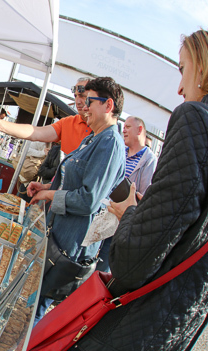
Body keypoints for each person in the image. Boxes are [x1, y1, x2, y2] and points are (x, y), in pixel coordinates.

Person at [75, 29, 208, 351]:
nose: (179, 87)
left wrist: (130, 211)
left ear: (202, 69)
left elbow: (134, 260)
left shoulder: (194, 118)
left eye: (182, 69)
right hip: (177, 322)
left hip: (136, 322)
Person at [0, 77, 126, 324]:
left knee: (35, 307)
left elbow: (89, 200)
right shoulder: (94, 136)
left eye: (90, 101)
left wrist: (49, 195)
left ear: (108, 105)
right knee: (30, 301)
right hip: (57, 236)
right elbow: (76, 183)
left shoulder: (110, 143)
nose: (84, 106)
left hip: (68, 246)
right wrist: (49, 186)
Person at [96, 115, 158, 272]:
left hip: (118, 222)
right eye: (124, 126)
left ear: (140, 130)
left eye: (128, 127)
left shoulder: (149, 160)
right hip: (101, 213)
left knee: (102, 265)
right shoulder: (120, 151)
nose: (124, 129)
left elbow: (142, 194)